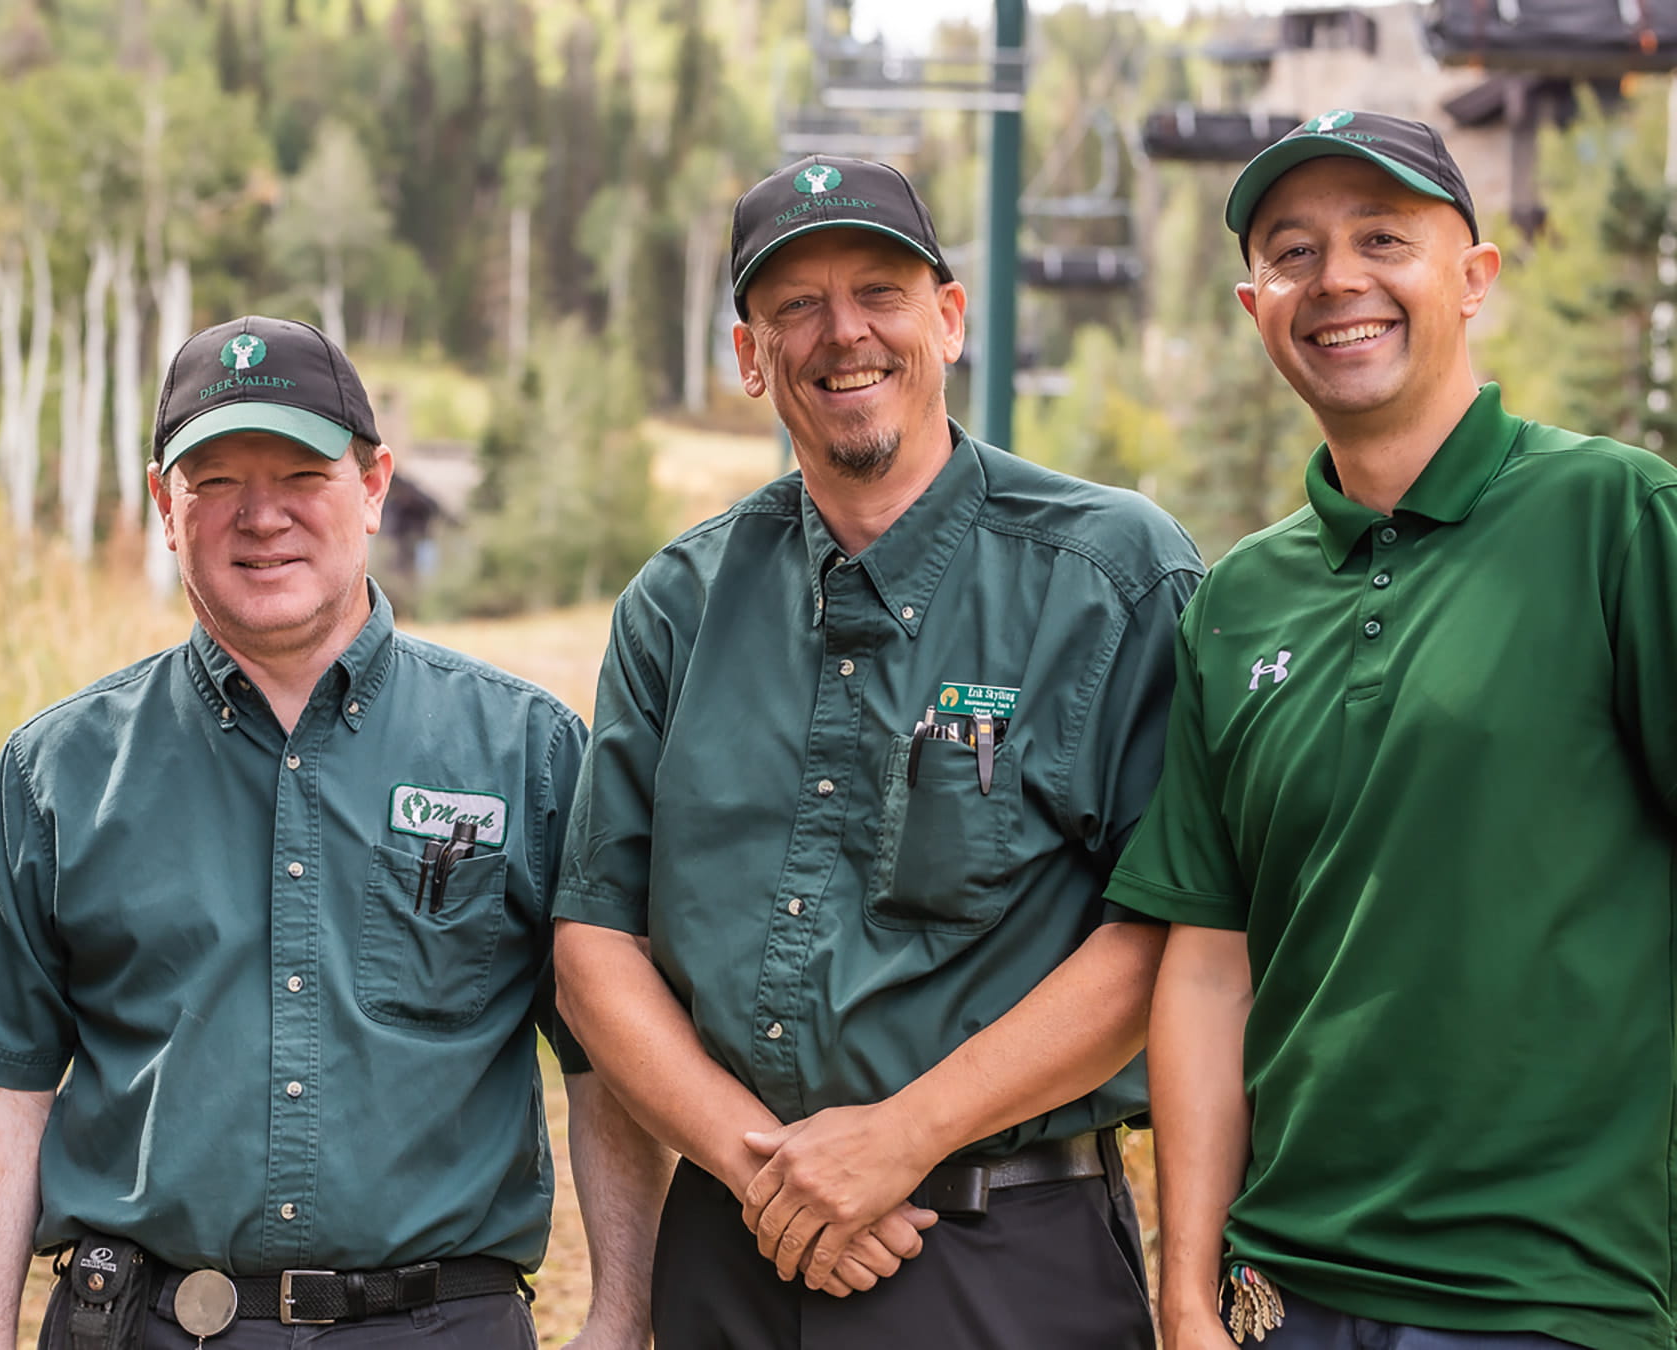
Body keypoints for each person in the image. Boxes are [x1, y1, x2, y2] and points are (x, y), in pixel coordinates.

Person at [552, 156, 1204, 1350]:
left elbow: (1162, 933)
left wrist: (900, 1137)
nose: (841, 332)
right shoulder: (677, 606)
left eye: (880, 292)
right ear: (749, 356)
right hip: (731, 1256)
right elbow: (597, 944)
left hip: (1011, 1260)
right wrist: (776, 1175)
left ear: (947, 321)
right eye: (794, 304)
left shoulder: (1112, 577)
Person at [0, 315, 667, 1350]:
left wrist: (625, 1317)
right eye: (216, 480)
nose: (260, 515)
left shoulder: (529, 755)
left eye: (301, 474)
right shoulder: (56, 773)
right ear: (164, 508)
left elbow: (612, 1058)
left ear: (373, 486)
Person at [1110, 110, 1677, 1350]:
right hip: (1281, 1299)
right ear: (1257, 302)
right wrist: (1186, 1290)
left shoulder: (1617, 519)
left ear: (1473, 279)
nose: (1338, 281)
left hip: (1551, 1300)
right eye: (1295, 251)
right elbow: (1208, 964)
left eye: (1383, 237)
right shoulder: (1237, 600)